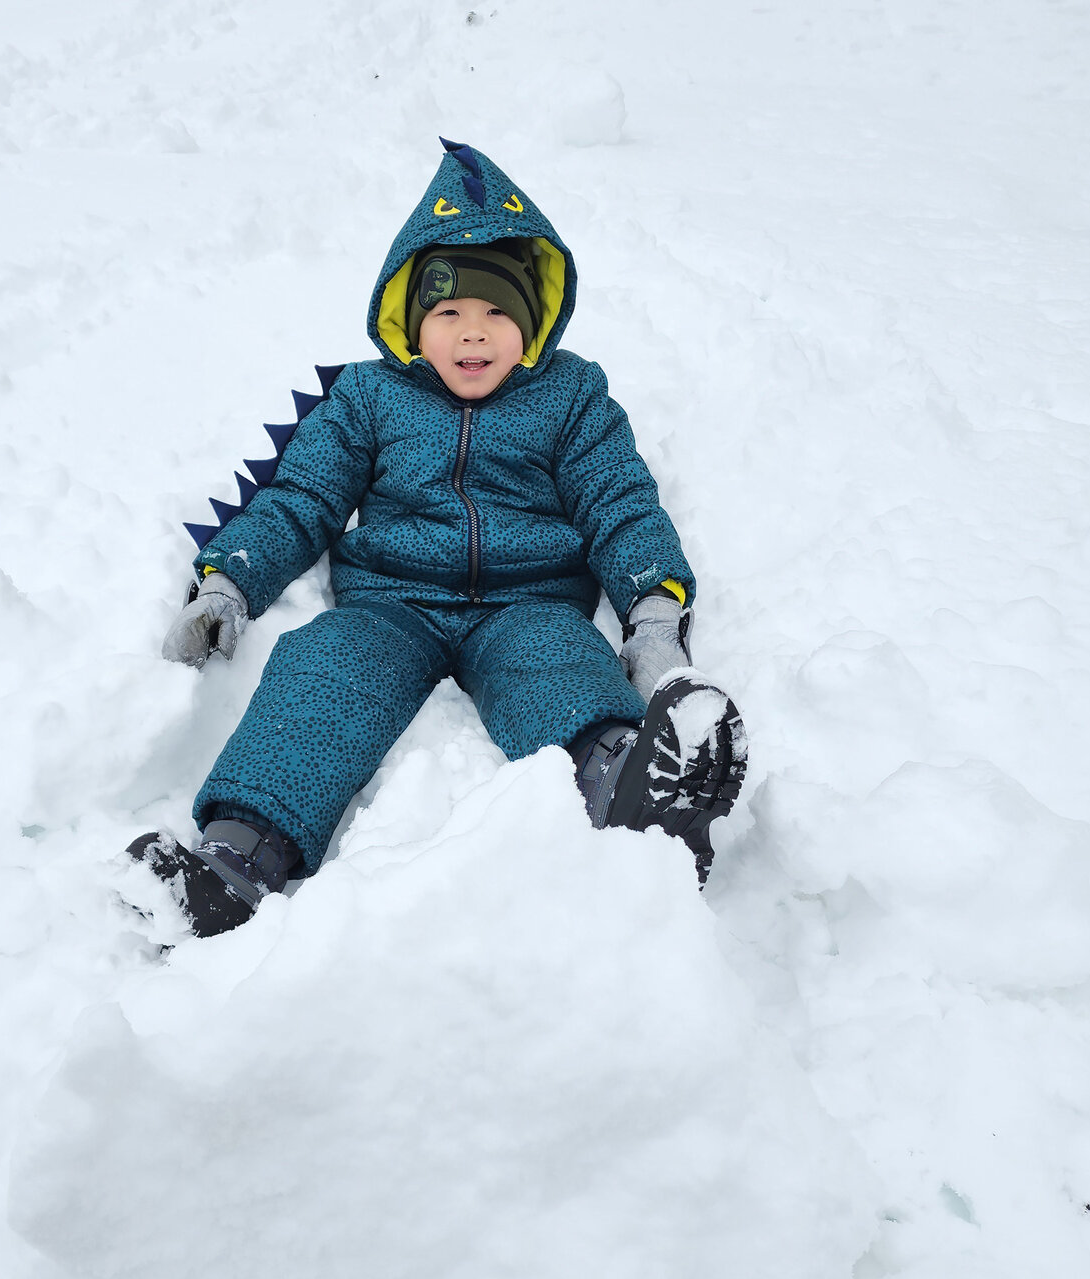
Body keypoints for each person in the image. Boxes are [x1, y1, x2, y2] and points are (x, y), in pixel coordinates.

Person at [126, 139, 747, 937]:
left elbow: (620, 504)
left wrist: (653, 614)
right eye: (448, 313)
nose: (473, 335)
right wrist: (228, 581)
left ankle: (629, 781)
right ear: (411, 319)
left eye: (498, 314)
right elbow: (304, 497)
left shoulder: (572, 397)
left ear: (535, 321)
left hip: (528, 603)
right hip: (392, 602)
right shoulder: (368, 397)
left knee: (558, 666)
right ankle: (237, 854)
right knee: (326, 672)